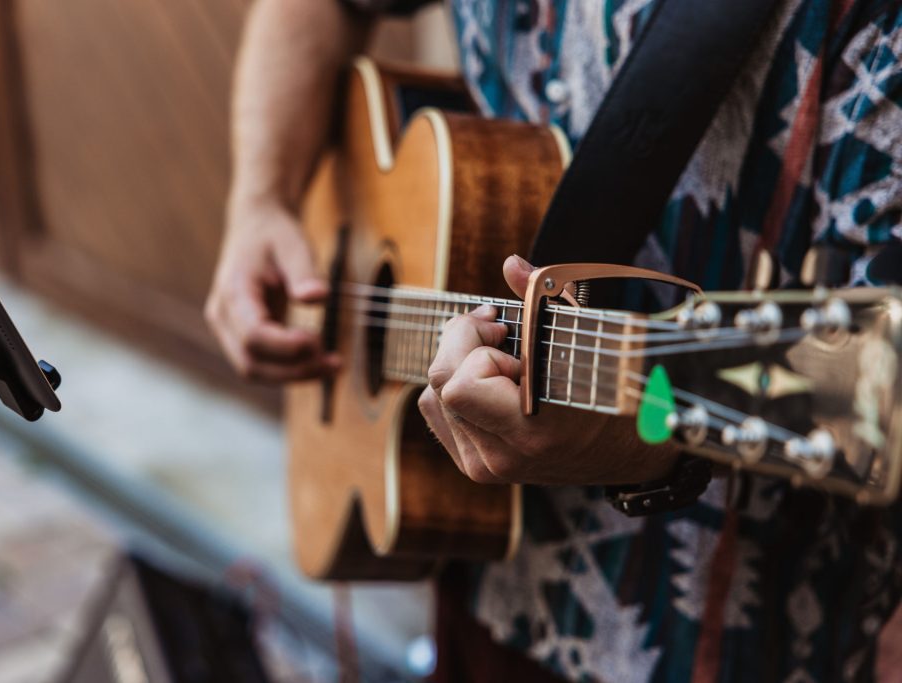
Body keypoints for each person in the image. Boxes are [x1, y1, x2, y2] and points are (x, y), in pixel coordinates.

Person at [205, 0, 902, 680]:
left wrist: (639, 433)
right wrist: (258, 202)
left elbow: (862, 389)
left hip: (718, 635)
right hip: (477, 585)